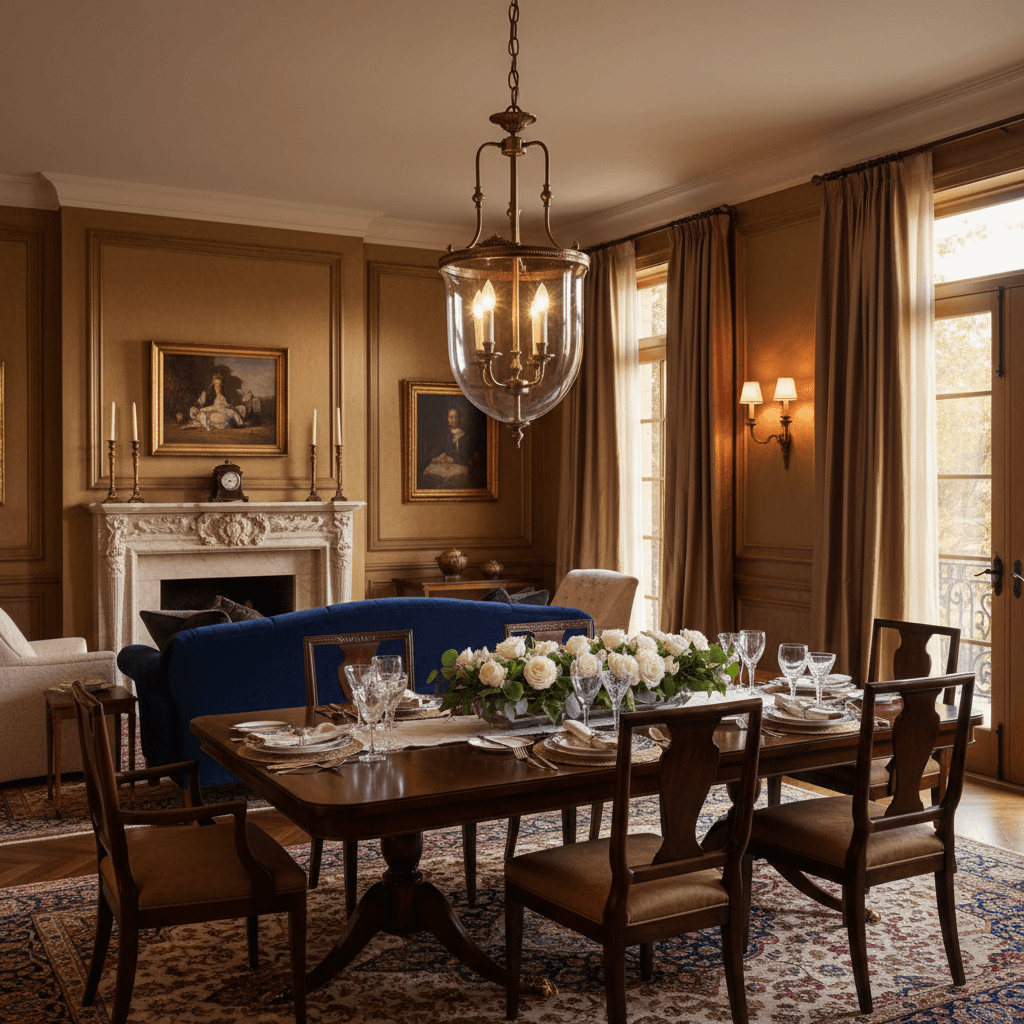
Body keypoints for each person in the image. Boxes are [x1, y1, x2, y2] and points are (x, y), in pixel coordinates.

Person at [420, 404, 484, 489]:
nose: (453, 420)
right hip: (444, 464)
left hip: (459, 464)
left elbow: (465, 456)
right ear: (447, 418)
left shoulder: (463, 435)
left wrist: (452, 459)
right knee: (429, 475)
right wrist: (440, 457)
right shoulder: (444, 434)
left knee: (451, 480)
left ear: (458, 418)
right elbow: (439, 450)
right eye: (450, 417)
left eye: (455, 417)